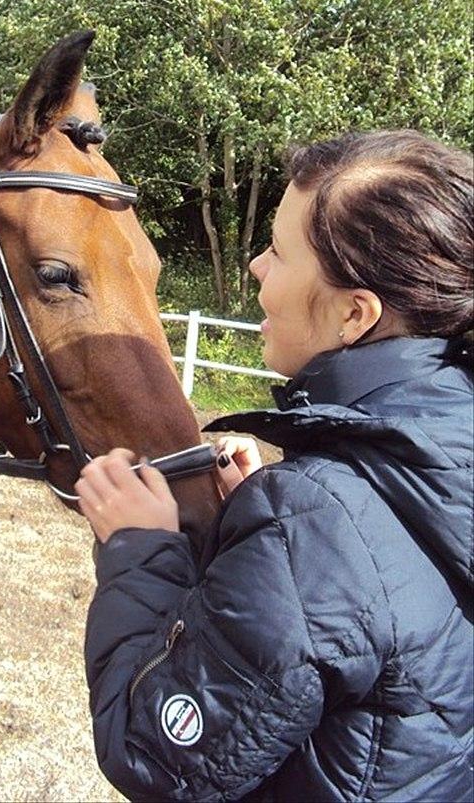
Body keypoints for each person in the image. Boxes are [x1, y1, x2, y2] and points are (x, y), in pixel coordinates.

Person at [76, 130, 473, 802]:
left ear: (355, 314)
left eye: (280, 252)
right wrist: (282, 525)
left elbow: (150, 754)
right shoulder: (445, 436)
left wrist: (140, 545)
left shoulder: (315, 522)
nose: (257, 267)